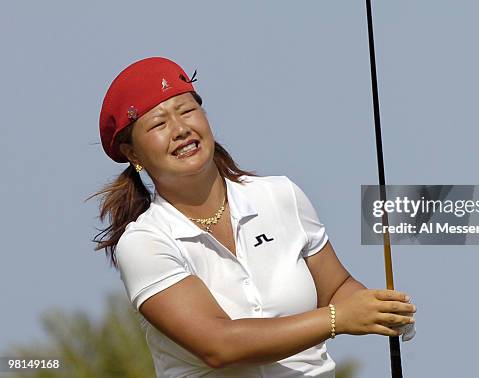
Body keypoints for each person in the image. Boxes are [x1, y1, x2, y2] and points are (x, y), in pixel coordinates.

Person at [92, 57, 416, 377]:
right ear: (133, 154)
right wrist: (336, 319)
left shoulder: (280, 195)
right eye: (159, 124)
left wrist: (376, 308)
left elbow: (335, 289)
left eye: (187, 110)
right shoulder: (144, 242)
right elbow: (218, 345)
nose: (180, 129)